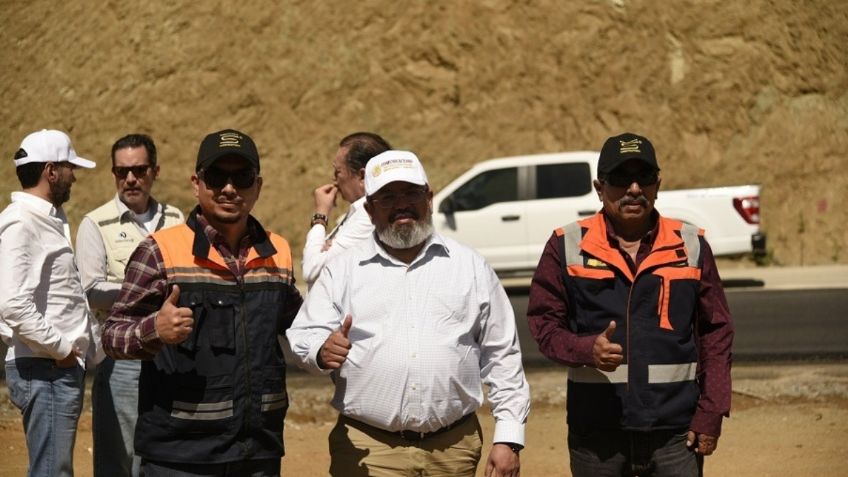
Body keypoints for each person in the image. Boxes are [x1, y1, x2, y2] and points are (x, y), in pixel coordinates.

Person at [287, 150, 531, 477]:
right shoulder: (342, 270)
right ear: (370, 209)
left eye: (411, 193)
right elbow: (303, 335)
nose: (401, 204)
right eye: (387, 197)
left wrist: (509, 438)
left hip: (454, 450)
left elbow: (502, 353)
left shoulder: (469, 267)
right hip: (368, 450)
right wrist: (320, 349)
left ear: (428, 198)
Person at [526, 132, 734, 476]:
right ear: (599, 186)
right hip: (596, 436)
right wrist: (583, 349)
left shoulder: (691, 245)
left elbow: (717, 332)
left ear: (658, 184)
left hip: (675, 434)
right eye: (621, 178)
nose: (634, 188)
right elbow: (544, 324)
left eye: (645, 177)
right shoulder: (567, 244)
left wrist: (711, 412)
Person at [102, 129, 303, 476]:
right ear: (196, 183)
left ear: (257, 186)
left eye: (241, 177)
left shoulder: (278, 252)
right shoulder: (159, 251)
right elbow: (112, 335)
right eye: (216, 177)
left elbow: (300, 325)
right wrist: (154, 330)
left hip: (258, 452)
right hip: (180, 456)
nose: (229, 188)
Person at [76, 133, 184, 477]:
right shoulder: (96, 224)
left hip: (172, 357)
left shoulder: (176, 218)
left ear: (155, 171)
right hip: (123, 358)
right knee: (118, 459)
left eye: (138, 170)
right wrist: (147, 292)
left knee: (164, 455)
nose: (130, 179)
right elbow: (91, 290)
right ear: (113, 174)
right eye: (122, 172)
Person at [0, 129, 100, 477]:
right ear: (51, 171)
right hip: (46, 369)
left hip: (52, 368)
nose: (74, 175)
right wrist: (61, 349)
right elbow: (12, 303)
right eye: (69, 167)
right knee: (51, 472)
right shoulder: (21, 222)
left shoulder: (46, 219)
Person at [302, 131, 391, 288]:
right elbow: (311, 260)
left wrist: (321, 215)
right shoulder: (359, 213)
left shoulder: (368, 216)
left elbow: (311, 270)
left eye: (338, 172)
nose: (334, 180)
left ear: (362, 176)